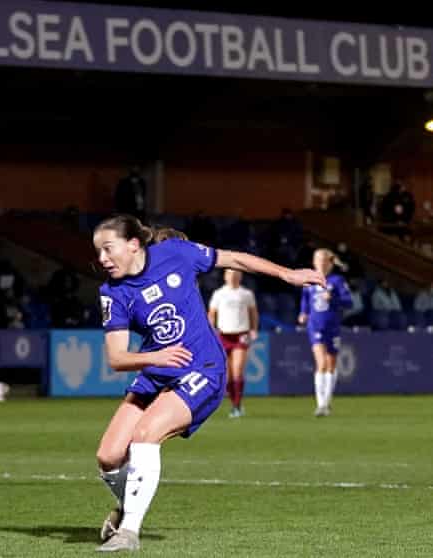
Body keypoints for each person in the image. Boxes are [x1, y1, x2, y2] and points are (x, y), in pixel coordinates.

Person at [93, 214, 324, 552]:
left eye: (107, 249)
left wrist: (286, 273)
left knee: (145, 436)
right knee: (108, 457)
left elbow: (234, 257)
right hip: (158, 369)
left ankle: (128, 532)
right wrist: (154, 358)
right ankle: (130, 504)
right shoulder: (112, 293)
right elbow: (116, 358)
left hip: (202, 367)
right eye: (98, 251)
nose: (102, 259)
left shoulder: (176, 253)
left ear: (132, 245)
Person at [297, 249, 352, 418]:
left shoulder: (337, 281)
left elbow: (349, 302)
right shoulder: (310, 281)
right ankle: (320, 404)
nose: (320, 263)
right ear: (313, 262)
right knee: (321, 363)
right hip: (315, 326)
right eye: (317, 260)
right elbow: (305, 300)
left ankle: (326, 402)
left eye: (323, 261)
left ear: (330, 263)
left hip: (333, 326)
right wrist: (303, 313)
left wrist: (333, 297)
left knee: (331, 364)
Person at [207, 269, 258, 418]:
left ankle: (237, 405)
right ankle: (233, 403)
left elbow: (253, 313)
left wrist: (253, 329)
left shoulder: (246, 294)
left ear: (240, 276)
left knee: (237, 371)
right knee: (227, 375)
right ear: (225, 276)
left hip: (241, 334)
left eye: (236, 273)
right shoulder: (219, 293)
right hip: (223, 335)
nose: (233, 276)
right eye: (230, 273)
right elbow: (211, 313)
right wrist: (211, 330)